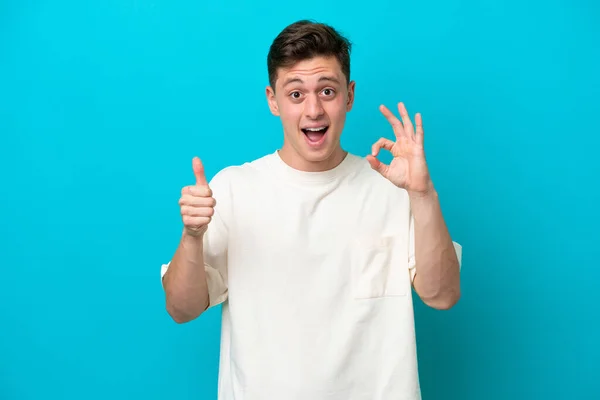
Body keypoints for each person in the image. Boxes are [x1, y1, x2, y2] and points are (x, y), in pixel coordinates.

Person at [161, 19, 462, 400]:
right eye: (296, 94)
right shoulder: (234, 189)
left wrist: (423, 194)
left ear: (349, 96)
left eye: (327, 90)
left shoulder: (393, 187)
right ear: (273, 100)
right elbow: (181, 309)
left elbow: (443, 295)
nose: (314, 109)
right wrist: (191, 237)